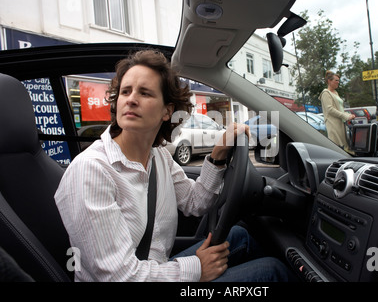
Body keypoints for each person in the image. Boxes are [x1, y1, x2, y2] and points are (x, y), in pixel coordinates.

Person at [54, 49, 293, 282]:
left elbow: (195, 202)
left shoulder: (159, 157)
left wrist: (218, 154)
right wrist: (196, 269)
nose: (131, 99)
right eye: (125, 91)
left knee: (238, 236)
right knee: (272, 271)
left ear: (167, 111)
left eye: (144, 93)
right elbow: (119, 277)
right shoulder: (91, 170)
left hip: (155, 269)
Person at [319, 71, 355, 150]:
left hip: (340, 123)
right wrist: (345, 116)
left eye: (338, 80)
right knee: (337, 146)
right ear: (329, 81)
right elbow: (330, 109)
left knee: (344, 146)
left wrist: (348, 115)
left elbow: (339, 108)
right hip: (333, 124)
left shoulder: (335, 92)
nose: (338, 82)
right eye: (336, 80)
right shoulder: (325, 93)